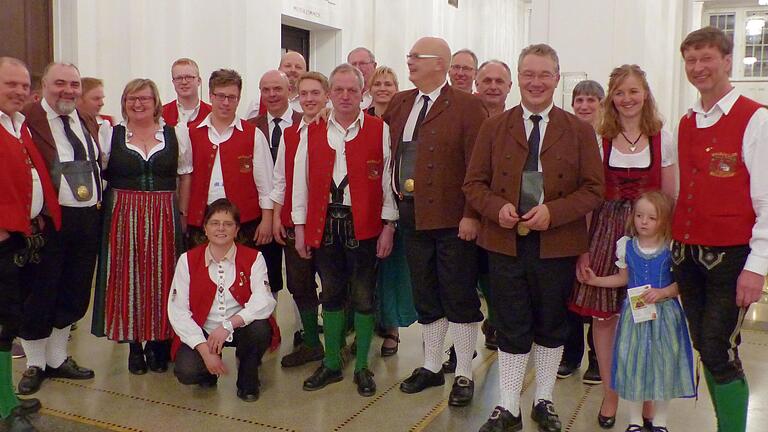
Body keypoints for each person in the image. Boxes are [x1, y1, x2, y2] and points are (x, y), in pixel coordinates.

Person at [464, 44, 604, 432]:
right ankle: (508, 406)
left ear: (557, 79)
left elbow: (594, 189)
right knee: (510, 324)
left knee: (551, 324)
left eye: (544, 74)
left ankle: (543, 400)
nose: (536, 82)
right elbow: (473, 184)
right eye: (529, 74)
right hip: (505, 242)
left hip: (556, 244)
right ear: (518, 79)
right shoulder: (493, 128)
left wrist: (554, 212)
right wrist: (496, 209)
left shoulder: (579, 131)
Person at [569, 64, 675, 429]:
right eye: (620, 92)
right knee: (605, 318)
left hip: (649, 233)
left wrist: (668, 246)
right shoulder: (598, 137)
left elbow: (670, 196)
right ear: (610, 98)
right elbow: (586, 197)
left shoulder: (664, 137)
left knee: (648, 316)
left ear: (645, 94)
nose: (627, 99)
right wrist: (583, 247)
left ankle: (646, 394)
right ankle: (611, 392)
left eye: (633, 91)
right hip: (605, 231)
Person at [673, 26, 768, 432]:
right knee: (704, 346)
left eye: (707, 58)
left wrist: (757, 266)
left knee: (718, 347)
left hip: (732, 258)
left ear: (727, 61)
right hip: (686, 254)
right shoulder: (687, 120)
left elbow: (767, 199)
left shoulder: (756, 119)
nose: (698, 68)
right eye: (691, 60)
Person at [384, 37, 487, 407]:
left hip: (452, 219)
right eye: (408, 55)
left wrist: (472, 215)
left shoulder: (468, 107)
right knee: (425, 293)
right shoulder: (401, 103)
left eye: (417, 57)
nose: (408, 61)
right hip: (411, 214)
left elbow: (479, 166)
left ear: (440, 64)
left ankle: (463, 371)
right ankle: (430, 364)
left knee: (458, 296)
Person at [293, 63, 397, 397]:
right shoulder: (311, 130)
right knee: (332, 294)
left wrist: (388, 226)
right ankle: (332, 363)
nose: (345, 96)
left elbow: (386, 180)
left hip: (364, 225)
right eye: (338, 89)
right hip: (324, 225)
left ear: (362, 92)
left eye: (352, 89)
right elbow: (301, 183)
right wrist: (299, 228)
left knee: (365, 296)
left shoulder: (379, 129)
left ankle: (363, 366)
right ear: (329, 93)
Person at [90, 78, 192, 374]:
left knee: (163, 276)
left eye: (144, 98)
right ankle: (134, 345)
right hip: (123, 213)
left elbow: (185, 175)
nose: (138, 104)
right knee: (128, 276)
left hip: (164, 211)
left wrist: (182, 212)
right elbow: (100, 173)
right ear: (124, 102)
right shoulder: (110, 134)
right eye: (132, 98)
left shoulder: (176, 134)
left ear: (155, 102)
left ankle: (158, 342)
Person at [18, 62, 105, 395]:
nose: (68, 90)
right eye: (60, 84)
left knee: (73, 289)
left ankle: (57, 358)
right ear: (44, 84)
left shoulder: (83, 118)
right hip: (48, 221)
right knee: (40, 292)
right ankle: (35, 363)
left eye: (74, 84)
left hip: (85, 219)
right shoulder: (28, 118)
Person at [582, 191, 695, 432]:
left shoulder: (671, 248)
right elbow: (622, 278)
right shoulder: (626, 246)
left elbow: (684, 283)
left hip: (665, 318)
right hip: (635, 317)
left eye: (651, 218)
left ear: (664, 221)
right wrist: (596, 281)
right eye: (639, 215)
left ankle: (660, 421)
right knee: (632, 365)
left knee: (664, 366)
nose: (643, 221)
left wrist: (663, 292)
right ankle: (633, 421)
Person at [0, 56, 61, 432]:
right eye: (11, 84)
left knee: (7, 323)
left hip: (17, 238)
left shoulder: (17, 125)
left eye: (24, 85)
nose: (20, 91)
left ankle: (5, 396)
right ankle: (3, 408)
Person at [168, 199, 275, 402]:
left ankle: (247, 377)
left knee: (260, 329)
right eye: (215, 223)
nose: (221, 229)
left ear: (237, 230)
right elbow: (178, 311)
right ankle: (207, 372)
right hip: (204, 330)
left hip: (239, 327)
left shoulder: (254, 258)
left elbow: (264, 300)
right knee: (187, 371)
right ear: (205, 229)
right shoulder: (187, 260)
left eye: (228, 224)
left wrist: (228, 325)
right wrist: (204, 350)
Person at [271, 72, 328, 368]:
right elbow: (279, 178)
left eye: (315, 93)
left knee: (333, 284)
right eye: (304, 94)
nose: (309, 99)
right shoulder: (290, 133)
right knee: (300, 283)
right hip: (293, 222)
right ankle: (311, 344)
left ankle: (334, 347)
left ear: (326, 96)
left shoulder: (332, 130)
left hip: (326, 223)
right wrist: (279, 216)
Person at [184, 69, 274, 249]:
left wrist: (267, 220)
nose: (226, 102)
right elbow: (183, 179)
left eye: (232, 97)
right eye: (220, 96)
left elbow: (266, 184)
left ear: (239, 99)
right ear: (210, 95)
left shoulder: (253, 135)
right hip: (201, 221)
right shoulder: (189, 133)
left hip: (244, 223)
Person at [365, 66, 418, 356]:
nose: (383, 88)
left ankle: (392, 328)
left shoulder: (404, 119)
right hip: (363, 202)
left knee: (391, 268)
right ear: (369, 88)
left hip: (395, 202)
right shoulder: (360, 118)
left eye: (389, 83)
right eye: (378, 83)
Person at [558, 79, 605, 384]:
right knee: (569, 290)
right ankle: (571, 354)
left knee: (600, 290)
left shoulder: (609, 140)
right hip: (573, 221)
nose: (585, 106)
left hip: (603, 224)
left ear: (602, 105)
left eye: (591, 101)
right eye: (580, 101)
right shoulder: (566, 137)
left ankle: (598, 358)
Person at [244, 51, 306, 119]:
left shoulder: (312, 102)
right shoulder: (257, 104)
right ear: (279, 69)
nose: (293, 70)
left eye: (298, 67)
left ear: (305, 72)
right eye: (288, 66)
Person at [161, 58, 211, 127]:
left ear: (199, 81)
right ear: (173, 82)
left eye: (189, 77)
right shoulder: (160, 115)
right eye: (179, 78)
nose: (184, 82)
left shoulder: (212, 114)